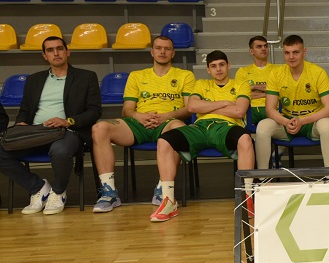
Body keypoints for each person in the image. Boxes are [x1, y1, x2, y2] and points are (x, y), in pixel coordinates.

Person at [90, 35, 196, 213]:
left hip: (168, 122)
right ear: (152, 52)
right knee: (99, 128)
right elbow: (127, 110)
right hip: (139, 123)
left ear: (173, 53)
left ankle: (163, 189)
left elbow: (188, 109)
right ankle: (109, 193)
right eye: (159, 48)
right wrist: (139, 116)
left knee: (180, 130)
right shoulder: (137, 76)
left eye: (167, 49)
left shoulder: (185, 75)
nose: (162, 52)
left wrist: (165, 116)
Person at [0, 36, 100, 215]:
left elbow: (94, 111)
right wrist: (22, 123)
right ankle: (38, 188)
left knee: (60, 150)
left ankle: (58, 192)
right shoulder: (34, 80)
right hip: (36, 132)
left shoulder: (86, 77)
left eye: (60, 48)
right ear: (44, 56)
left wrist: (68, 121)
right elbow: (25, 110)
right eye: (50, 50)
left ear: (67, 52)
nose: (56, 53)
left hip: (68, 131)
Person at [151, 51, 254, 222]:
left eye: (221, 65)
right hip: (199, 127)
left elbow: (239, 111)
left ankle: (246, 198)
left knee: (245, 139)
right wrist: (224, 103)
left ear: (228, 65)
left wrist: (206, 106)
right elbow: (192, 107)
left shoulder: (241, 84)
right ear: (208, 70)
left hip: (226, 126)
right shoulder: (201, 84)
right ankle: (168, 200)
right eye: (213, 66)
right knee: (164, 140)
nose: (218, 69)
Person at [255, 34, 329, 169]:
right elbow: (270, 109)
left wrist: (302, 121)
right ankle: (263, 176)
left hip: (312, 122)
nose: (291, 57)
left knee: (327, 124)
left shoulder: (318, 72)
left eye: (296, 52)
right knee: (263, 126)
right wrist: (286, 122)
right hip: (288, 122)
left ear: (304, 52)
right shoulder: (276, 74)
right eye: (287, 53)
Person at [235, 35, 273, 126]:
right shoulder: (242, 71)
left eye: (265, 46)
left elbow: (281, 91)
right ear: (251, 51)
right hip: (250, 110)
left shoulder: (278, 70)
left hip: (272, 108)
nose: (263, 49)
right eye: (259, 47)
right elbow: (241, 95)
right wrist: (270, 93)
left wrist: (252, 87)